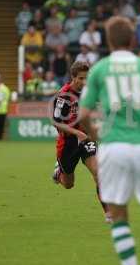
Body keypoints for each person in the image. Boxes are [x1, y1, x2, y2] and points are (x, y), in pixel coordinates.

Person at [79, 16, 140, 265]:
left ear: (109, 41)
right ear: (133, 39)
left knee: (119, 215)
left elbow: (83, 114)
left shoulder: (100, 69)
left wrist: (97, 137)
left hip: (113, 149)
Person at [51, 61, 109, 222]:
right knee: (68, 184)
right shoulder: (64, 96)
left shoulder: (88, 92)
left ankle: (108, 213)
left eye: (87, 78)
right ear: (73, 77)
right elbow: (56, 122)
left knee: (99, 173)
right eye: (81, 79)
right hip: (68, 143)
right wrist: (76, 132)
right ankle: (59, 171)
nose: (84, 82)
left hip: (85, 138)